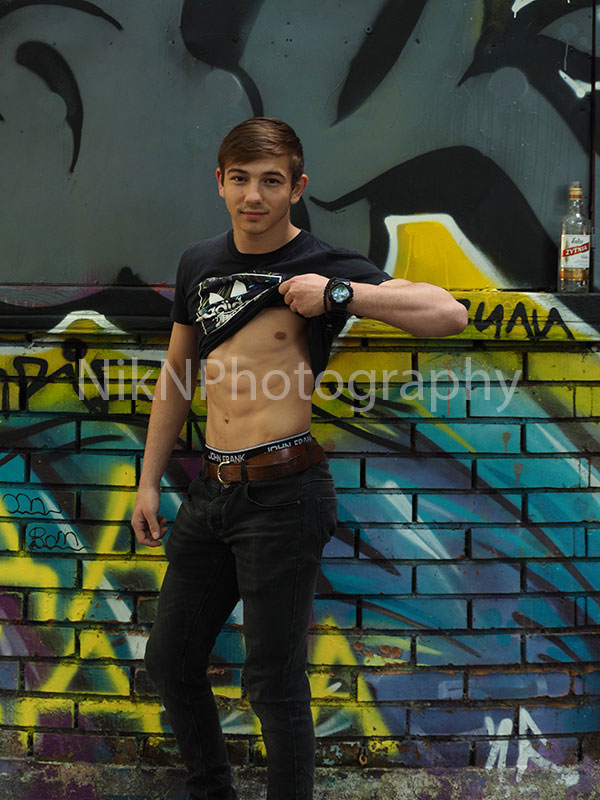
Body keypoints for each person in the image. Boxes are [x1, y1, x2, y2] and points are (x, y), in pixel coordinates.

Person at [131, 116, 468, 800]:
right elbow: (176, 377)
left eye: (271, 181)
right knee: (169, 660)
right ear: (220, 182)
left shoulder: (320, 264)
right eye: (240, 179)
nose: (253, 195)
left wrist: (340, 294)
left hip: (284, 495)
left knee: (272, 683)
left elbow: (448, 313)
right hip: (210, 494)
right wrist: (147, 484)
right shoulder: (199, 262)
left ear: (297, 187)